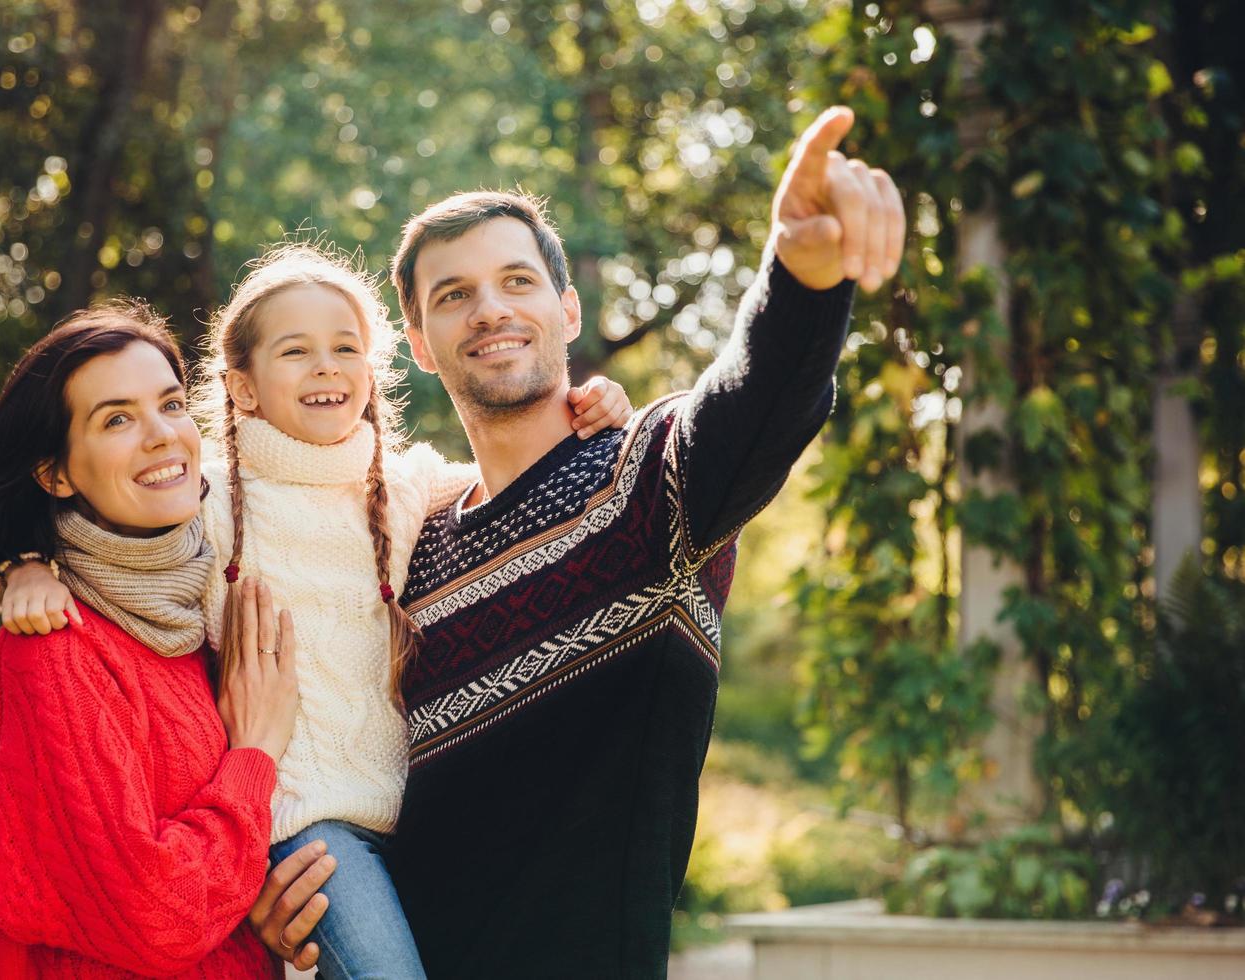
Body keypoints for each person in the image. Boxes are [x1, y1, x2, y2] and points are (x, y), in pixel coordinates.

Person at [252, 104, 906, 977]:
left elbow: (755, 408)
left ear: (565, 309)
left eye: (516, 282)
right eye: (453, 296)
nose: (489, 310)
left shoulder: (649, 484)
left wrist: (800, 280)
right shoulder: (403, 543)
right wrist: (281, 891)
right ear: (418, 344)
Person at [0, 246, 635, 978]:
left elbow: (513, 478)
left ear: (371, 371)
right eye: (296, 352)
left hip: (414, 807)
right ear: (243, 388)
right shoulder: (209, 498)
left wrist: (596, 406)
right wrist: (26, 569)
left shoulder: (408, 483)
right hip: (302, 823)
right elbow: (106, 542)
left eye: (344, 349)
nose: (326, 366)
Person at [0, 303, 322, 977]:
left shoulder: (207, 602)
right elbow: (154, 915)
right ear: (55, 473)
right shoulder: (53, 649)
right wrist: (253, 751)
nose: (162, 436)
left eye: (170, 404)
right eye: (116, 419)